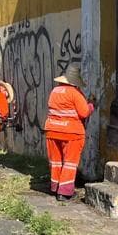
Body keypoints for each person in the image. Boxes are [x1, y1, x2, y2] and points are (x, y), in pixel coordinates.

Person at [44, 64, 93, 200]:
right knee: (70, 162)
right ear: (75, 81)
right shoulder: (75, 93)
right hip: (72, 132)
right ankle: (64, 192)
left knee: (56, 161)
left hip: (52, 129)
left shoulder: (54, 91)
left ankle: (55, 187)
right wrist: (91, 105)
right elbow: (84, 112)